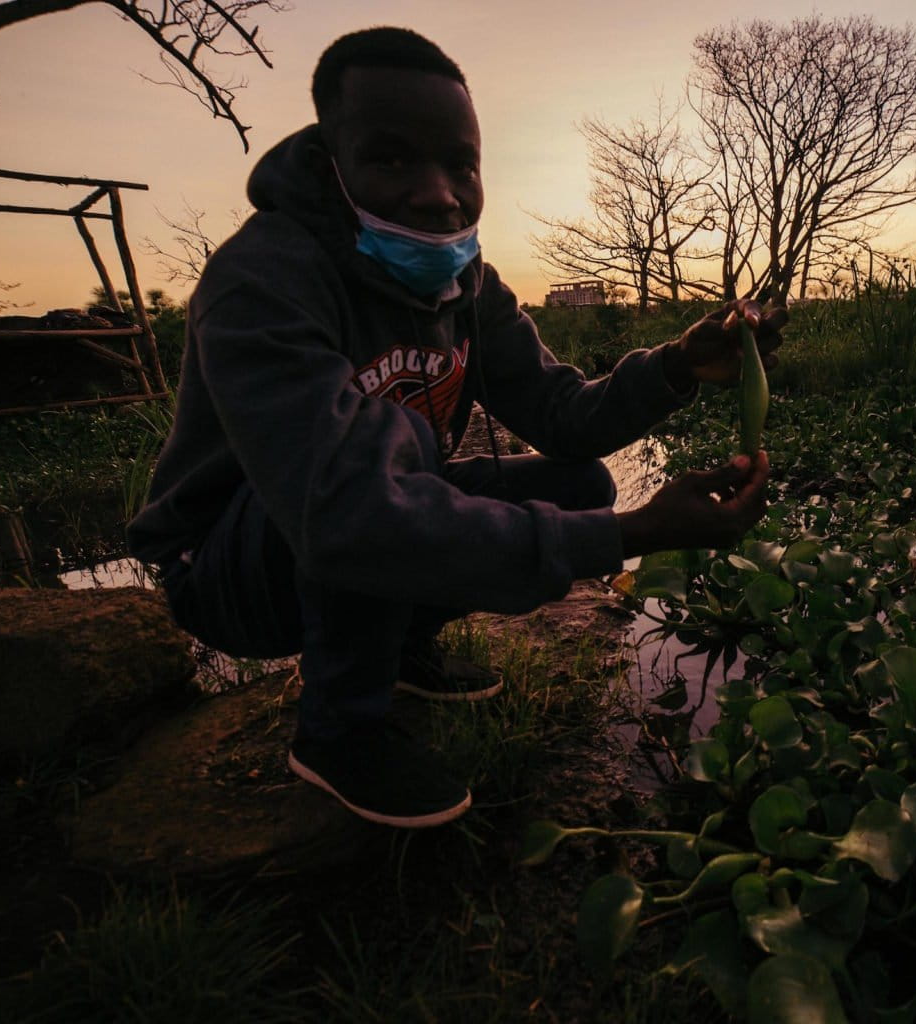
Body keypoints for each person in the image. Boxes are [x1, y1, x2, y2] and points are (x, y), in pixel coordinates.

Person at [127, 27, 784, 829]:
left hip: (360, 517)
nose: (439, 194)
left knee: (578, 482)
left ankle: (401, 647)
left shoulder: (466, 282)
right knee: (393, 447)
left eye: (460, 164)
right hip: (232, 566)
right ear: (333, 164)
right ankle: (338, 731)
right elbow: (348, 514)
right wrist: (637, 534)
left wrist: (679, 363)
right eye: (392, 159)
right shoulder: (262, 279)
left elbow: (562, 415)